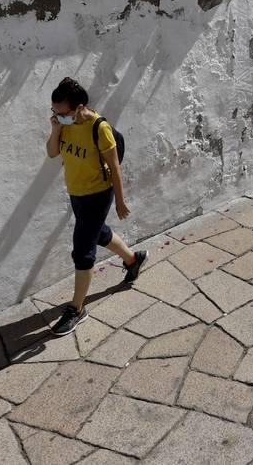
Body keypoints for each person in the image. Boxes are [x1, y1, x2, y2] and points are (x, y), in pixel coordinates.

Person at [45, 77, 145, 335]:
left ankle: (77, 309)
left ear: (79, 107)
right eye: (54, 112)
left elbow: (115, 169)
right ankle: (133, 260)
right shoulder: (65, 125)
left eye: (62, 113)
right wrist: (56, 129)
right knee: (98, 233)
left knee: (83, 250)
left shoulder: (99, 128)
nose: (57, 116)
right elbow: (52, 152)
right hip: (76, 193)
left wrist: (120, 201)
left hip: (97, 195)